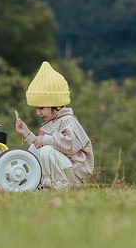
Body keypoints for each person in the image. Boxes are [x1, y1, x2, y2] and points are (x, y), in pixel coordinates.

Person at [15, 61, 94, 189]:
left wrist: (45, 139)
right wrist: (27, 133)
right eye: (36, 108)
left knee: (46, 151)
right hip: (62, 165)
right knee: (34, 150)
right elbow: (42, 144)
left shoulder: (68, 120)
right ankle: (36, 182)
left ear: (56, 104)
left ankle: (61, 185)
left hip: (75, 171)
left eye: (41, 107)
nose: (38, 112)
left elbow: (70, 145)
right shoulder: (49, 123)